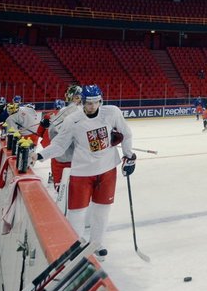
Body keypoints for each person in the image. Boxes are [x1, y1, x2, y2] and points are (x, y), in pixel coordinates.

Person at [36, 85, 135, 260]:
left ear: (101, 101)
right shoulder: (72, 120)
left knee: (102, 210)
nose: (92, 106)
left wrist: (129, 156)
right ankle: (75, 245)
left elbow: (126, 133)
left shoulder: (112, 112)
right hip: (82, 172)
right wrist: (39, 155)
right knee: (77, 211)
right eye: (88, 103)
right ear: (82, 102)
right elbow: (60, 145)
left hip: (107, 169)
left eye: (96, 102)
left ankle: (97, 243)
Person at [45, 84, 84, 189]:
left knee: (63, 192)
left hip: (65, 158)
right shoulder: (85, 111)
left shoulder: (68, 110)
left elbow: (53, 132)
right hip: (80, 159)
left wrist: (53, 123)